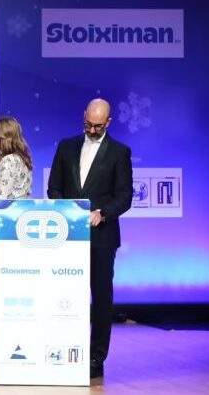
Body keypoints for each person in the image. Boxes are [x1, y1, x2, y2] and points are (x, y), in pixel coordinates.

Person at [47, 99, 132, 380]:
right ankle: (63, 352)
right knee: (65, 296)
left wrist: (102, 213)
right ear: (84, 116)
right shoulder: (66, 146)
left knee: (101, 297)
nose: (93, 130)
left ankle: (96, 357)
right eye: (88, 124)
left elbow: (124, 196)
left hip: (102, 238)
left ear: (108, 122)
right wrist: (68, 212)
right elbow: (53, 188)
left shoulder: (120, 152)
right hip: (68, 237)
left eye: (98, 126)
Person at [0, 116, 33, 246]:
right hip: (19, 224)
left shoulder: (9, 160)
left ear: (3, 139)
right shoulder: (21, 159)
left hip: (8, 226)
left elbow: (2, 201)